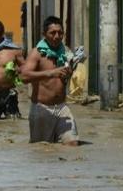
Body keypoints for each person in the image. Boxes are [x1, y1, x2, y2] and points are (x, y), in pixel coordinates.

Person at [19, 16, 79, 146]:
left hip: (62, 107)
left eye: (60, 33)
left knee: (73, 144)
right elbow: (23, 77)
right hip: (42, 108)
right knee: (42, 150)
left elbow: (64, 78)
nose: (57, 36)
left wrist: (69, 72)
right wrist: (51, 73)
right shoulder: (36, 53)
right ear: (44, 34)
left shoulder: (66, 51)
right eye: (53, 33)